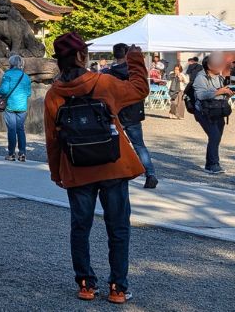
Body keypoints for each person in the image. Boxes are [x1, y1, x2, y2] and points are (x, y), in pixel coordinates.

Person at [45, 32, 148, 305]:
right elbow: (139, 90)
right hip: (112, 165)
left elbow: (52, 139)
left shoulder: (54, 93)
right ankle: (118, 287)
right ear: (81, 56)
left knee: (80, 227)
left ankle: (85, 284)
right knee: (118, 228)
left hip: (77, 168)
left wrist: (57, 173)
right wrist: (134, 60)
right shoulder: (103, 83)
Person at [103, 43, 158, 189]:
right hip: (133, 112)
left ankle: (120, 173)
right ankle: (150, 174)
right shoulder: (134, 72)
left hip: (116, 113)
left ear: (114, 55)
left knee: (115, 145)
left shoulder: (108, 74)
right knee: (139, 145)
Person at [193, 54, 235, 174]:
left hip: (218, 110)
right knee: (215, 136)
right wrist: (219, 91)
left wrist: (228, 93)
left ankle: (209, 163)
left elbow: (221, 95)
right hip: (204, 111)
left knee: (216, 137)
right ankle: (213, 164)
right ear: (209, 66)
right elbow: (200, 95)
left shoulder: (220, 78)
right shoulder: (200, 77)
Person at [0, 54, 32, 161]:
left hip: (10, 106)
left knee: (12, 130)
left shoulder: (8, 74)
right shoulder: (25, 76)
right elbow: (28, 93)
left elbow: (4, 90)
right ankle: (22, 153)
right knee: (20, 129)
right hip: (22, 107)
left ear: (11, 63)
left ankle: (11, 154)